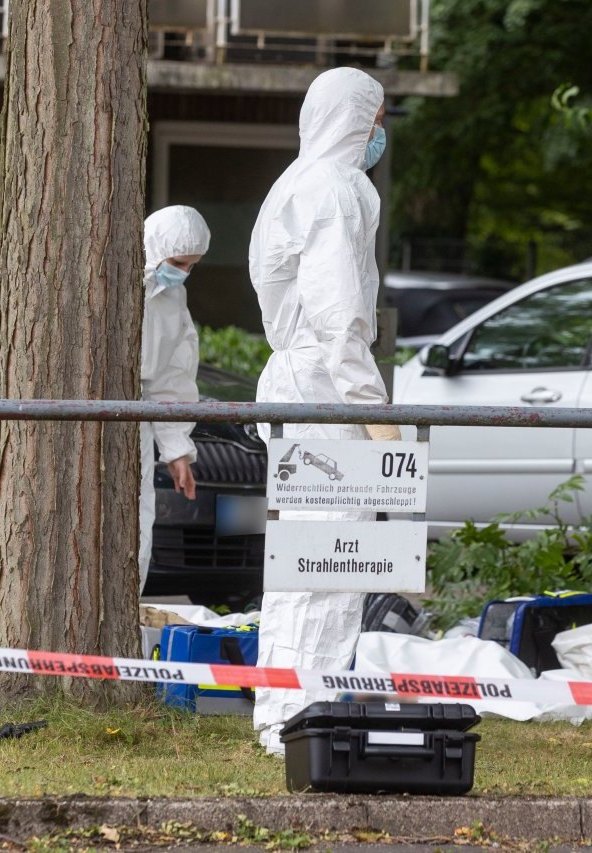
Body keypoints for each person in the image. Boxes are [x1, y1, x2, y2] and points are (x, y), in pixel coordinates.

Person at [248, 66, 399, 755]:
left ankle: (280, 711)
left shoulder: (294, 182)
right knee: (331, 565)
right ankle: (303, 717)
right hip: (326, 396)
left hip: (299, 388)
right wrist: (378, 415)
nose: (380, 134)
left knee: (298, 567)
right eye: (377, 117)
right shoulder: (338, 192)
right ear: (355, 118)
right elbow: (341, 321)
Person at [139, 205, 211, 594]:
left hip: (135, 422)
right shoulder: (113, 283)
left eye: (193, 265)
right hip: (84, 420)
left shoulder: (172, 298)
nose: (184, 272)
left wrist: (177, 449)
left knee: (134, 525)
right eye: (179, 262)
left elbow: (170, 377)